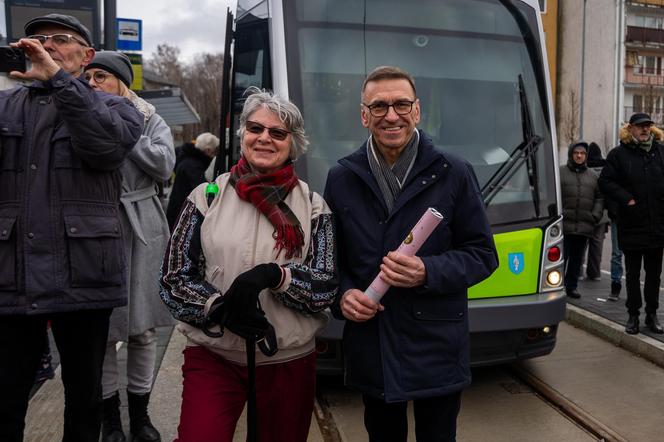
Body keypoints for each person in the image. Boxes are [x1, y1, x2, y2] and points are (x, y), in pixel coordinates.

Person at [324, 66, 498, 441]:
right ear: (364, 115)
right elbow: (332, 262)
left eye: (401, 104)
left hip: (435, 344)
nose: (391, 115)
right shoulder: (341, 177)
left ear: (417, 111)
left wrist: (427, 270)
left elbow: (483, 255)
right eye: (379, 106)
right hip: (374, 343)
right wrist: (344, 296)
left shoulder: (454, 171)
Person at [160, 88, 338, 442]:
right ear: (243, 134)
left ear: (294, 143)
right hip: (214, 357)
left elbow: (324, 286)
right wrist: (218, 307)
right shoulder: (206, 197)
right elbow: (172, 279)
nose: (264, 139)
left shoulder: (314, 206)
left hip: (287, 361)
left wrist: (278, 277)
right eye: (256, 129)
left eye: (277, 133)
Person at [0, 14, 144, 442]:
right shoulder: (5, 106)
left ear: (86, 56)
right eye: (38, 40)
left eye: (60, 40)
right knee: (6, 396)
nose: (47, 46)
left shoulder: (116, 105)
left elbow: (103, 145)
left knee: (84, 397)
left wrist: (61, 80)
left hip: (83, 273)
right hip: (13, 272)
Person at [84, 51, 176, 442]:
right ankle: (111, 422)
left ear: (122, 81)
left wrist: (126, 130)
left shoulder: (150, 119)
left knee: (143, 331)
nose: (92, 83)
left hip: (144, 225)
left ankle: (140, 417)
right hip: (97, 226)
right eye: (87, 77)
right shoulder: (80, 115)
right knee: (103, 331)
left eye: (100, 76)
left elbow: (163, 165)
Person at [599, 113, 664, 335]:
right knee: (633, 274)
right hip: (632, 225)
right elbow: (605, 181)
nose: (644, 130)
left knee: (654, 275)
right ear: (631, 129)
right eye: (640, 127)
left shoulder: (660, 152)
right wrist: (626, 198)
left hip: (657, 226)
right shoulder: (619, 154)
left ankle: (652, 315)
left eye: (647, 126)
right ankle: (633, 315)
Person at [560, 141, 604, 299]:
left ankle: (571, 287)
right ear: (571, 154)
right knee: (560, 259)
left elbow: (600, 197)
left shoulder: (592, 176)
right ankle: (556, 287)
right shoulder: (560, 172)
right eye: (576, 153)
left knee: (576, 260)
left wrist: (595, 215)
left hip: (584, 225)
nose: (579, 155)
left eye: (583, 153)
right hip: (564, 225)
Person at [165, 132, 219, 229]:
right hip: (182, 216)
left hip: (177, 213)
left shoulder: (187, 159)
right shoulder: (193, 166)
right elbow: (203, 190)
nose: (214, 155)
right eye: (213, 152)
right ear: (207, 150)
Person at [585, 142, 610, 282]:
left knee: (581, 244)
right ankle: (594, 273)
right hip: (602, 215)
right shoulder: (606, 170)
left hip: (585, 212)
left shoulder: (585, 171)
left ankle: (577, 272)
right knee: (597, 245)